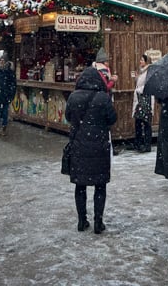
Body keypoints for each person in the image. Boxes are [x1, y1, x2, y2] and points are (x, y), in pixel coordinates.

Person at [65, 65, 117, 234]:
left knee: (80, 185)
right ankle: (98, 222)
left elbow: (68, 117)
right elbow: (112, 118)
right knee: (100, 185)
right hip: (99, 146)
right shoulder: (103, 97)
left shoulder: (73, 97)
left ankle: (81, 221)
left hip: (79, 145)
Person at [132, 54, 154, 152]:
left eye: (142, 60)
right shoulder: (142, 72)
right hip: (140, 100)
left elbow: (148, 85)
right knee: (139, 122)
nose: (140, 61)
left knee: (145, 122)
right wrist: (136, 78)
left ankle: (146, 144)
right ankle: (139, 143)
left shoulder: (148, 72)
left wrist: (139, 90)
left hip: (145, 99)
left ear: (146, 61)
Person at [0, 58, 17, 136]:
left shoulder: (7, 72)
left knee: (3, 111)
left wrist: (10, 94)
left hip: (4, 94)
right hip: (0, 94)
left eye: (3, 61)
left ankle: (2, 128)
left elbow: (12, 84)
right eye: (1, 61)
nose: (2, 62)